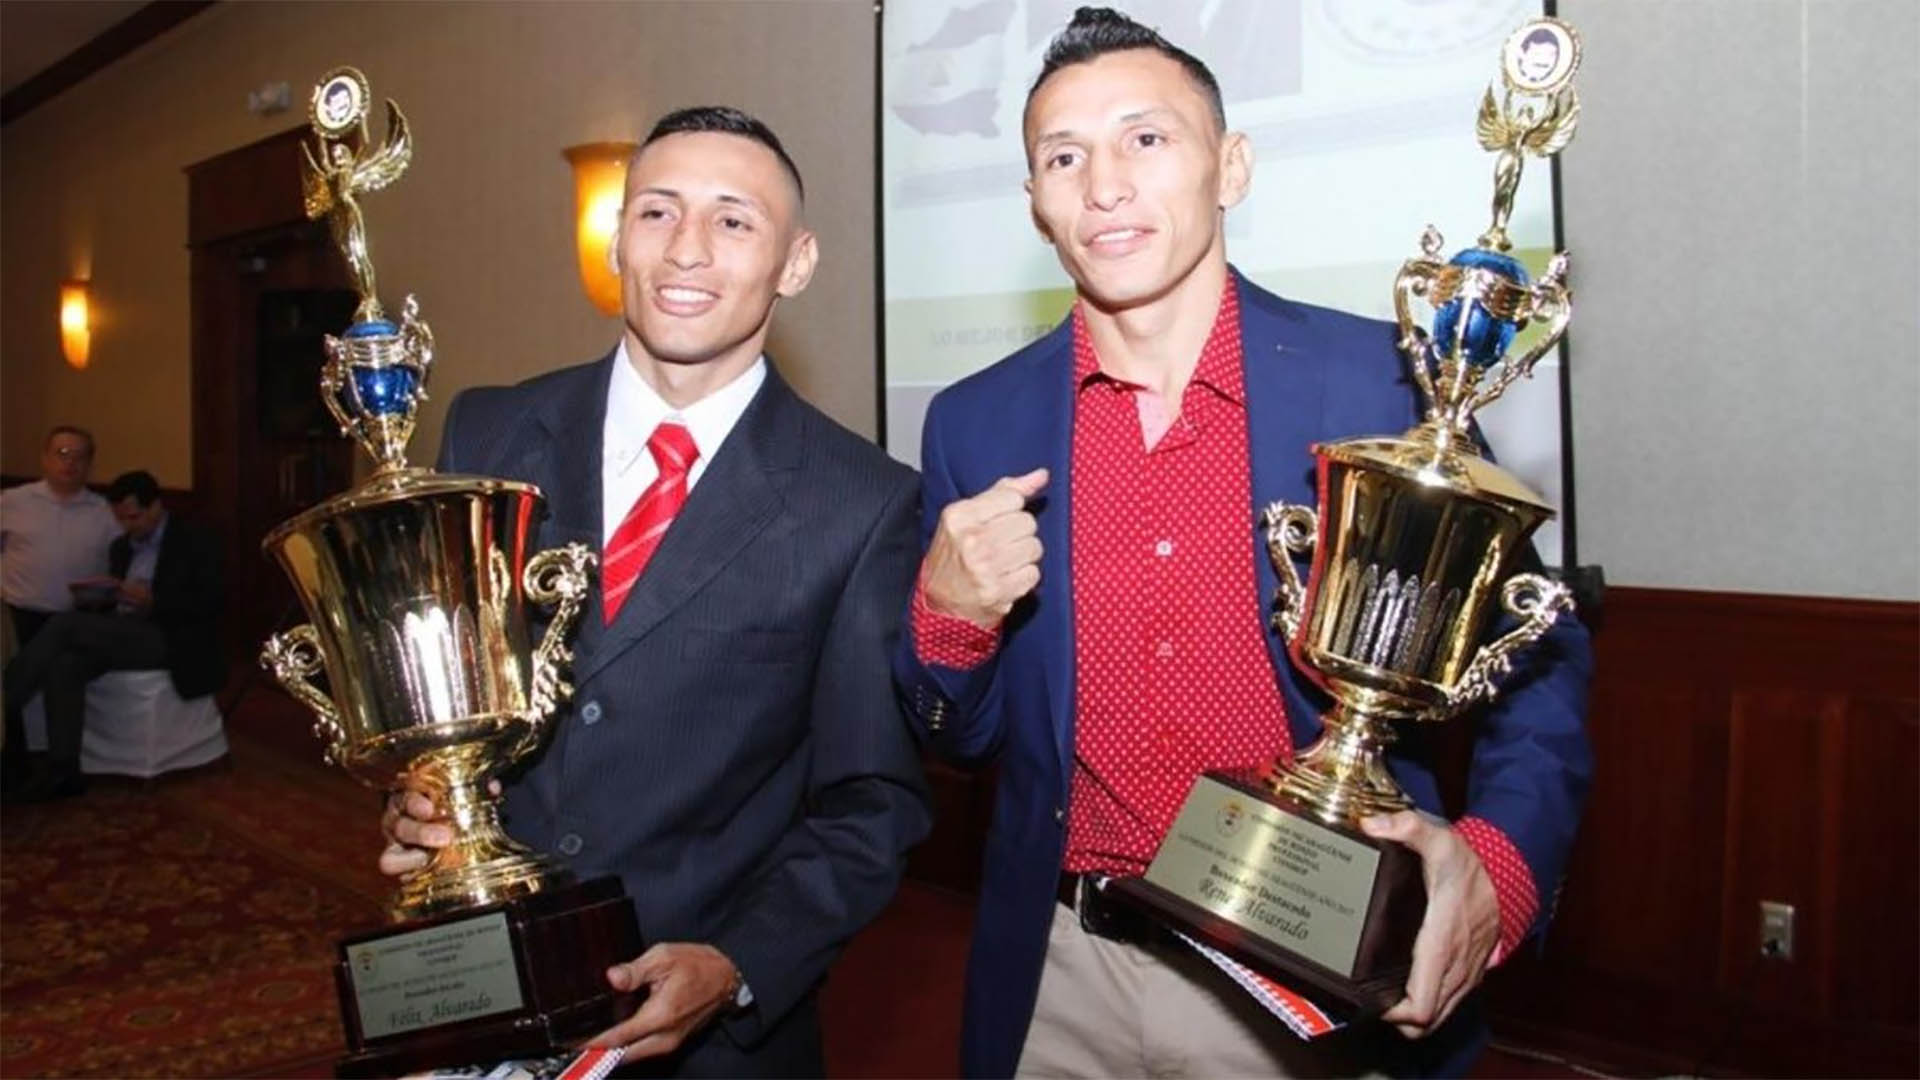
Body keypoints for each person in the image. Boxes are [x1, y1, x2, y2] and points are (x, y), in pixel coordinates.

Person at [892, 8, 1593, 1077]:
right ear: (1035, 204)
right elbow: (966, 740)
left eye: (1146, 139)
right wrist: (949, 623)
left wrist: (1496, 870)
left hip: (1314, 967)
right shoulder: (973, 422)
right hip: (1062, 970)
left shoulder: (1384, 387)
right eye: (1063, 157)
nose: (1105, 185)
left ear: (1233, 167)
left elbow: (1539, 667)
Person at [381, 106, 930, 1076]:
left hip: (703, 1029)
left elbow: (869, 800)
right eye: (656, 213)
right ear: (616, 238)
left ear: (794, 263)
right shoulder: (490, 431)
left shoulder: (862, 502)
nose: (687, 251)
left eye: (732, 221)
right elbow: (448, 693)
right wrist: (426, 800)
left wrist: (740, 963)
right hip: (475, 982)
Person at [3, 470, 224, 802]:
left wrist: (153, 601)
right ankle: (63, 771)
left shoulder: (193, 540)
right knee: (65, 664)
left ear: (155, 507)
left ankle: (4, 700)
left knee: (66, 625)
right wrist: (99, 598)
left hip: (171, 636)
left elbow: (210, 602)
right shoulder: (122, 547)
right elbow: (113, 606)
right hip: (125, 632)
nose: (127, 526)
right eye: (120, 518)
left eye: (133, 517)